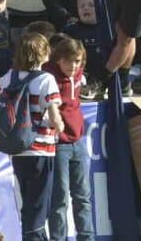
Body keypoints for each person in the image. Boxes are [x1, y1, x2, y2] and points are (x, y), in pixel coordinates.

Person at [0, 32, 64, 241]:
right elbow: (54, 116)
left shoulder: (10, 76)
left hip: (18, 148)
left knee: (28, 200)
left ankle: (32, 237)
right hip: (42, 149)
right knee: (39, 205)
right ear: (43, 53)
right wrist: (61, 127)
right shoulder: (47, 79)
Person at [46, 35, 92, 241]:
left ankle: (87, 237)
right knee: (60, 198)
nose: (73, 66)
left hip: (78, 142)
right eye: (69, 60)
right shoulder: (48, 77)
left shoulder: (79, 77)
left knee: (83, 196)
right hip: (58, 145)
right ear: (58, 59)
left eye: (78, 61)